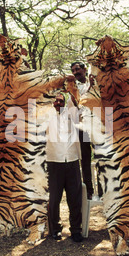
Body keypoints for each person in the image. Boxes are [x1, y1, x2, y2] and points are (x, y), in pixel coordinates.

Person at [46, 92, 84, 242]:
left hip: (72, 160)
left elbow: (79, 107)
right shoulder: (47, 115)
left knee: (74, 198)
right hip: (54, 161)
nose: (57, 104)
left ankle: (76, 230)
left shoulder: (72, 114)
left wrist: (71, 95)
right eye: (55, 101)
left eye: (60, 101)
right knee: (54, 199)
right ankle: (55, 229)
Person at [70, 61, 101, 200]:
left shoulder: (95, 81)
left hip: (96, 124)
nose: (75, 72)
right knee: (85, 159)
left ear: (84, 69)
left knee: (100, 156)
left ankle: (102, 190)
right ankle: (89, 190)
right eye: (73, 70)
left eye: (77, 69)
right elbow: (78, 103)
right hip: (82, 126)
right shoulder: (73, 87)